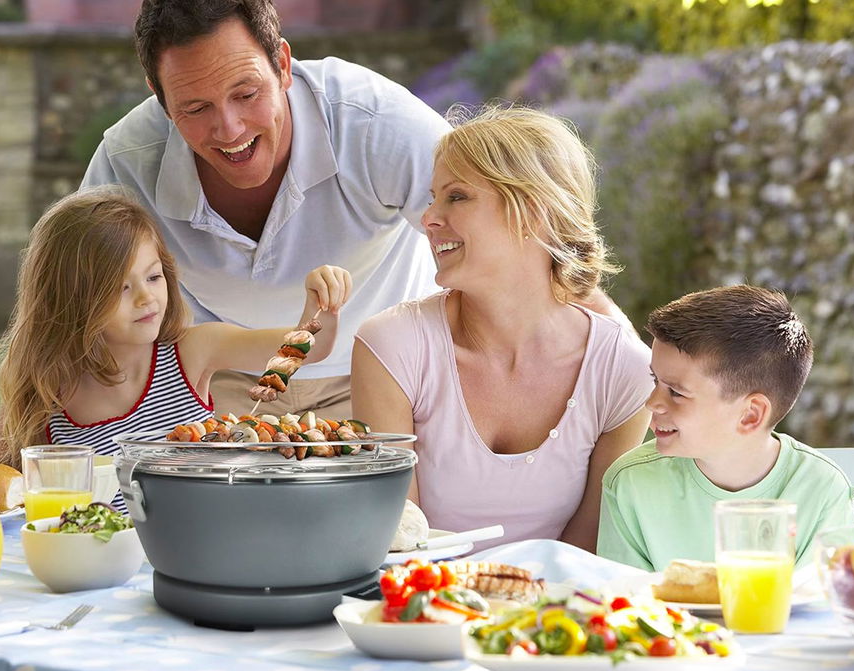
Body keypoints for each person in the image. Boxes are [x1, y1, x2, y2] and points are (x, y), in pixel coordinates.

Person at [80, 0, 627, 420]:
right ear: (158, 95)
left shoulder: (376, 124)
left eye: (246, 94)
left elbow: (521, 243)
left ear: (283, 65)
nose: (229, 129)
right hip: (220, 382)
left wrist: (632, 367)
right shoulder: (127, 162)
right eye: (194, 108)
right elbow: (67, 299)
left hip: (383, 375)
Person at [352, 106, 652, 553]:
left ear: (531, 212)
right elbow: (399, 542)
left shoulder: (624, 371)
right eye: (434, 197)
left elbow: (590, 548)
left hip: (557, 613)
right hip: (421, 612)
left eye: (456, 197)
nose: (428, 218)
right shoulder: (392, 348)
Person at [0, 187, 352, 511]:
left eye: (153, 277)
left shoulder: (192, 351)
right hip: (96, 569)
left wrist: (320, 301)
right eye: (121, 288)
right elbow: (2, 493)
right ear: (70, 299)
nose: (147, 298)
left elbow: (309, 347)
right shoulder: (42, 386)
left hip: (196, 554)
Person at [597, 285, 854, 571]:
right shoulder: (630, 484)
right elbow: (623, 605)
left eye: (676, 392)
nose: (652, 403)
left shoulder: (824, 491)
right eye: (655, 380)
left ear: (750, 415)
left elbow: (820, 609)